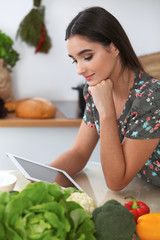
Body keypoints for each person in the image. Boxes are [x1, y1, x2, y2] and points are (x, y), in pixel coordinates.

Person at [50, 6, 160, 191]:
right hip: (146, 190)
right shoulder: (96, 88)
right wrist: (42, 177)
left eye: (87, 56)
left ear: (114, 47)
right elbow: (79, 153)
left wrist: (106, 111)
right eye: (75, 60)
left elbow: (116, 182)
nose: (79, 69)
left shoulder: (151, 97)